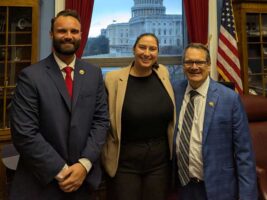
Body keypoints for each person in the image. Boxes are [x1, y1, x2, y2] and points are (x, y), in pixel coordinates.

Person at [10, 9, 109, 200]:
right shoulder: (30, 77)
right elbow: (24, 132)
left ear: (81, 35)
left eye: (74, 31)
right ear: (51, 34)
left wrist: (84, 164)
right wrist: (61, 171)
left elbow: (101, 121)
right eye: (62, 31)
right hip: (41, 183)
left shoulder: (94, 74)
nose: (68, 36)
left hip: (83, 182)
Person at [172, 43, 258, 200]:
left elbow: (244, 153)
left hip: (219, 188)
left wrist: (248, 196)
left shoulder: (229, 99)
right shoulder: (175, 92)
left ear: (209, 65)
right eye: (188, 62)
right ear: (183, 65)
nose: (194, 67)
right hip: (184, 186)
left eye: (199, 62)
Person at [102, 33, 176, 200]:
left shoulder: (163, 73)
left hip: (159, 161)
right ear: (133, 49)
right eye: (142, 47)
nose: (147, 53)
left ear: (158, 52)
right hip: (125, 161)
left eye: (152, 49)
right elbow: (103, 120)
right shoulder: (113, 79)